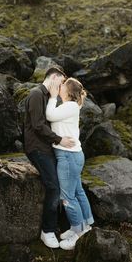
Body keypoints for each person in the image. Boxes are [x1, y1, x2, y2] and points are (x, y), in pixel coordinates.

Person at [24, 67, 76, 249]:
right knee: (53, 186)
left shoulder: (50, 97)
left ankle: (66, 226)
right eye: (61, 81)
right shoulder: (37, 94)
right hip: (37, 148)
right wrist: (59, 139)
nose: (62, 86)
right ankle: (47, 231)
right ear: (53, 78)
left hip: (48, 148)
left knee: (62, 184)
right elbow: (38, 125)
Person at [46, 77, 94, 250]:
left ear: (68, 92)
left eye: (63, 86)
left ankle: (79, 234)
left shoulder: (71, 106)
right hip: (72, 156)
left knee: (67, 197)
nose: (60, 87)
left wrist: (52, 97)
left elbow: (50, 115)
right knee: (78, 191)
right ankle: (85, 226)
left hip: (67, 157)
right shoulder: (72, 105)